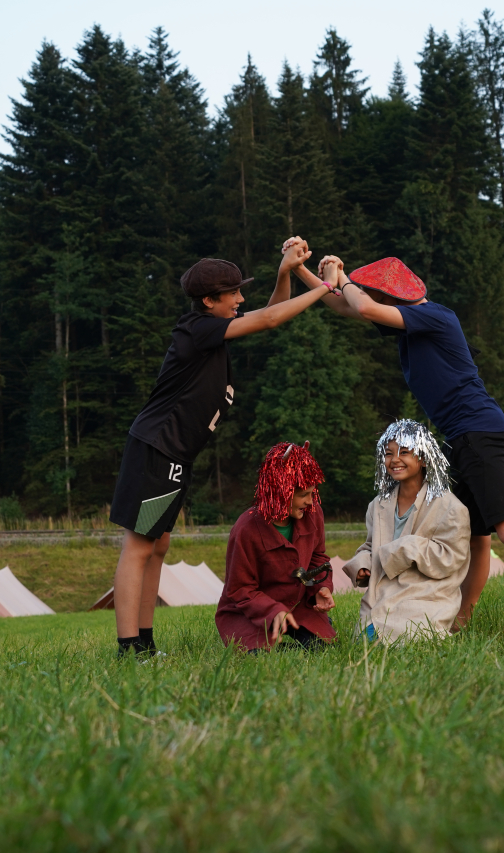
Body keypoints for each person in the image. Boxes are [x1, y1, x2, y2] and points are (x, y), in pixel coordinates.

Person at [107, 239, 334, 658]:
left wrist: (284, 273)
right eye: (233, 294)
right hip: (156, 451)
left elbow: (270, 314)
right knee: (139, 547)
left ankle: (145, 642)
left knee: (157, 546)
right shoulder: (198, 330)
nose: (240, 300)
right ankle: (129, 648)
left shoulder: (211, 329)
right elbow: (270, 318)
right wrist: (326, 287)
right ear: (210, 301)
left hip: (174, 455)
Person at [297, 254, 504, 634]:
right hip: (459, 438)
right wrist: (305, 272)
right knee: (475, 536)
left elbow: (362, 305)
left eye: (378, 296)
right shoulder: (410, 323)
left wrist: (342, 279)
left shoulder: (435, 316)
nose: (371, 302)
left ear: (393, 297)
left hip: (479, 430)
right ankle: (459, 622)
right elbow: (349, 307)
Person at [341, 420, 471, 643]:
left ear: (423, 458)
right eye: (388, 454)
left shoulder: (450, 507)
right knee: (364, 642)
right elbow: (372, 547)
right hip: (380, 597)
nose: (394, 460)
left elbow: (452, 558)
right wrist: (363, 564)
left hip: (425, 597)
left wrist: (409, 547)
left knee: (404, 638)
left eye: (404, 452)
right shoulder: (377, 505)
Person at [216, 442, 336, 652]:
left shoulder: (313, 513)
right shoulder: (245, 529)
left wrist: (320, 588)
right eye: (303, 495)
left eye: (312, 493)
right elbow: (240, 588)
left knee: (320, 647)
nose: (310, 501)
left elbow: (318, 557)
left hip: (298, 606)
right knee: (258, 654)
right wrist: (272, 610)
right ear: (280, 492)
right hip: (249, 612)